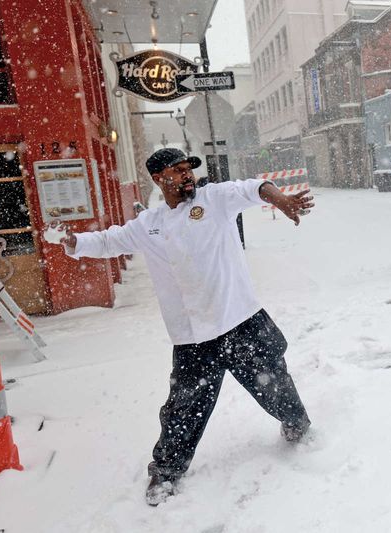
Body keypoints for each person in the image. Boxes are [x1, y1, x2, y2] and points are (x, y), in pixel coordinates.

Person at [49, 148, 314, 506]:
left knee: (274, 382)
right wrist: (75, 243)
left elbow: (255, 188)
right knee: (184, 410)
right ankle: (166, 472)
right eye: (176, 170)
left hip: (240, 320)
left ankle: (298, 426)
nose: (186, 175)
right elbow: (111, 240)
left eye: (187, 168)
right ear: (159, 180)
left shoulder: (214, 199)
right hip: (192, 336)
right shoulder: (149, 225)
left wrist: (280, 199)